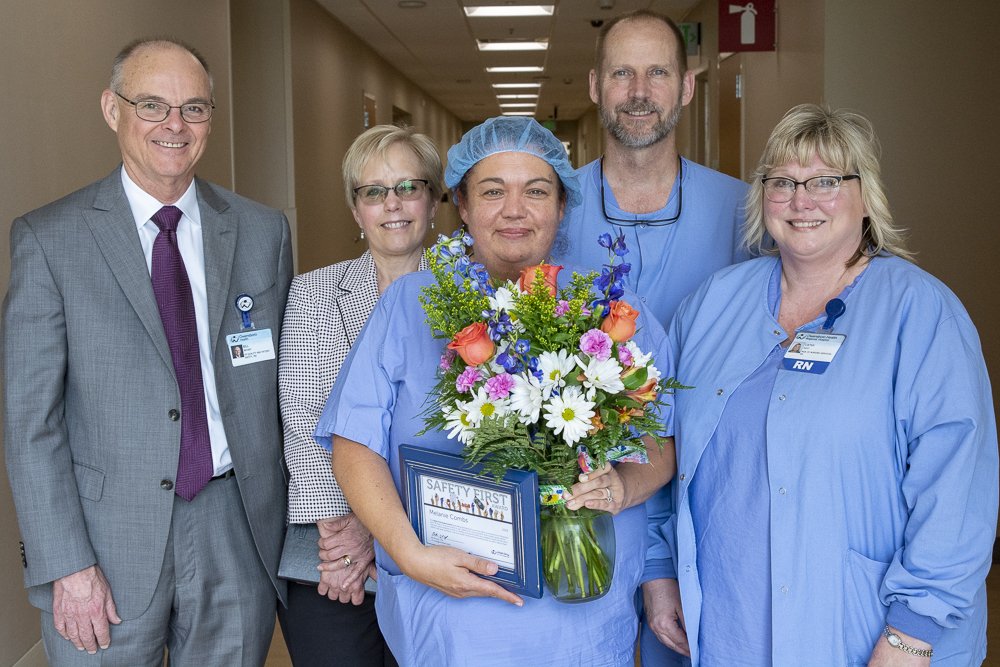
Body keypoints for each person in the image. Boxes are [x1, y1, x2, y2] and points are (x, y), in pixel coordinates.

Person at [314, 116, 676, 666]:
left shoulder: (613, 311)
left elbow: (659, 443)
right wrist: (411, 557)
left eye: (536, 191)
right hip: (447, 617)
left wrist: (621, 489)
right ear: (461, 205)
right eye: (492, 191)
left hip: (577, 620)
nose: (514, 210)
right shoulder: (408, 305)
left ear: (561, 206)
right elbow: (354, 443)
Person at [664, 104, 997, 665]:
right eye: (782, 182)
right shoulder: (711, 306)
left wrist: (911, 632)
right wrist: (657, 572)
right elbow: (659, 444)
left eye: (825, 181)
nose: (801, 201)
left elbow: (957, 483)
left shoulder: (920, 312)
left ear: (864, 196)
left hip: (867, 632)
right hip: (730, 623)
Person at [2, 38, 292, 664]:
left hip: (234, 524)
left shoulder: (261, 232)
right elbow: (32, 425)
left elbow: (282, 387)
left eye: (194, 108)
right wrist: (66, 563)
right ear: (112, 109)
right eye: (152, 104)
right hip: (105, 540)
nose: (174, 125)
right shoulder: (50, 239)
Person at [551, 12, 749, 663]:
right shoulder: (549, 214)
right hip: (582, 525)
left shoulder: (747, 217)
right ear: (594, 85)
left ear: (688, 86)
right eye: (622, 73)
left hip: (712, 526)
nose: (640, 90)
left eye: (658, 71)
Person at [276, 124, 444, 666]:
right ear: (356, 210)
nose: (391, 204)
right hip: (333, 556)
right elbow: (303, 422)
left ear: (434, 199)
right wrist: (351, 533)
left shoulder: (474, 294)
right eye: (374, 191)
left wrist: (385, 531)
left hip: (439, 541)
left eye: (408, 187)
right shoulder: (314, 293)